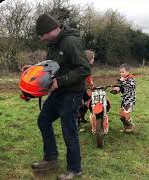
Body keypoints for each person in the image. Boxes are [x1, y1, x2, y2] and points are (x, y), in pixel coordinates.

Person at [30, 14, 91, 180]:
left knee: (69, 130)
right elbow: (51, 65)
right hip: (57, 92)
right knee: (43, 120)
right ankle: (51, 159)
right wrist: (34, 69)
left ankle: (75, 169)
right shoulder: (53, 43)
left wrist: (60, 82)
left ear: (50, 30)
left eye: (42, 35)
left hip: (71, 93)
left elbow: (84, 69)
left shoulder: (71, 42)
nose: (42, 38)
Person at [112, 63, 136, 133]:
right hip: (124, 99)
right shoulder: (122, 79)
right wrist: (116, 90)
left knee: (125, 114)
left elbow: (130, 85)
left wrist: (122, 81)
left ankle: (131, 125)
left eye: (123, 72)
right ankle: (126, 127)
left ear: (128, 71)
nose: (121, 73)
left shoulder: (131, 78)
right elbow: (119, 87)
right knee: (121, 115)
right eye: (120, 72)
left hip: (130, 99)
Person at [78, 50, 95, 131]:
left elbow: (89, 79)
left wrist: (92, 86)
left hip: (85, 89)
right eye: (93, 58)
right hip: (80, 89)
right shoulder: (83, 67)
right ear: (89, 58)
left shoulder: (87, 66)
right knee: (78, 105)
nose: (93, 60)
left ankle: (82, 118)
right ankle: (76, 125)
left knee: (88, 103)